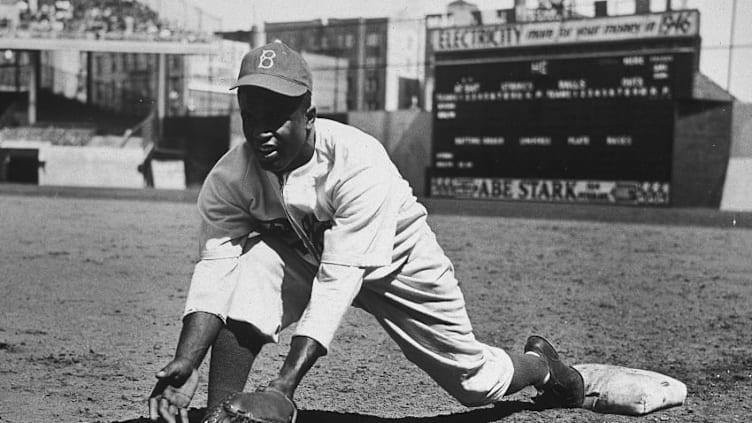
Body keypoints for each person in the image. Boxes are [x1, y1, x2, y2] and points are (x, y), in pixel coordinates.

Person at [148, 41, 584, 423]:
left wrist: (284, 387)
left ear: (309, 116)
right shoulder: (229, 177)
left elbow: (338, 284)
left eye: (278, 117)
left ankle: (541, 365)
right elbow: (215, 270)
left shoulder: (356, 161)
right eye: (251, 116)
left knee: (474, 381)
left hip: (401, 266)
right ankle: (219, 415)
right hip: (310, 255)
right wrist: (187, 359)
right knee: (250, 270)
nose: (262, 131)